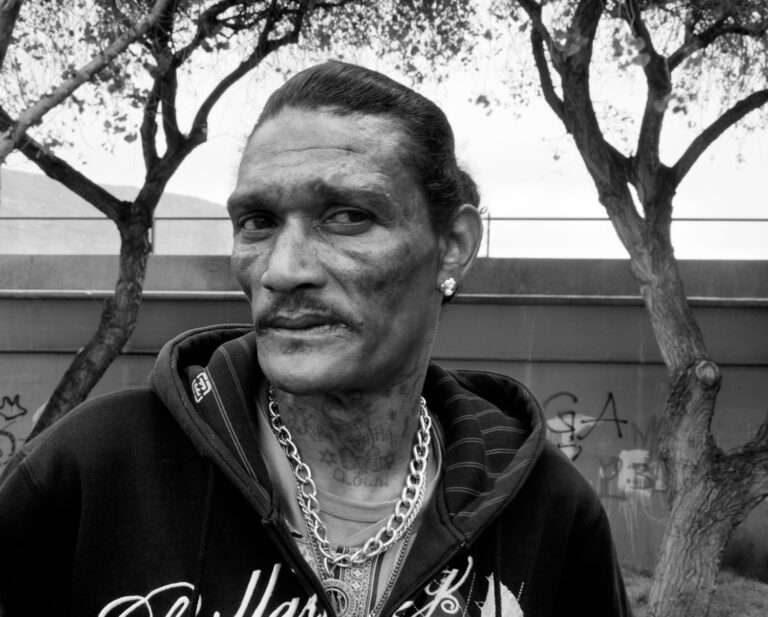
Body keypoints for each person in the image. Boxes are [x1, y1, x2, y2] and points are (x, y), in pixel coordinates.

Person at [0, 61, 631, 617]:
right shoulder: (93, 473)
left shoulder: (549, 514)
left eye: (348, 217)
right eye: (257, 221)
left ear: (455, 246)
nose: (282, 270)